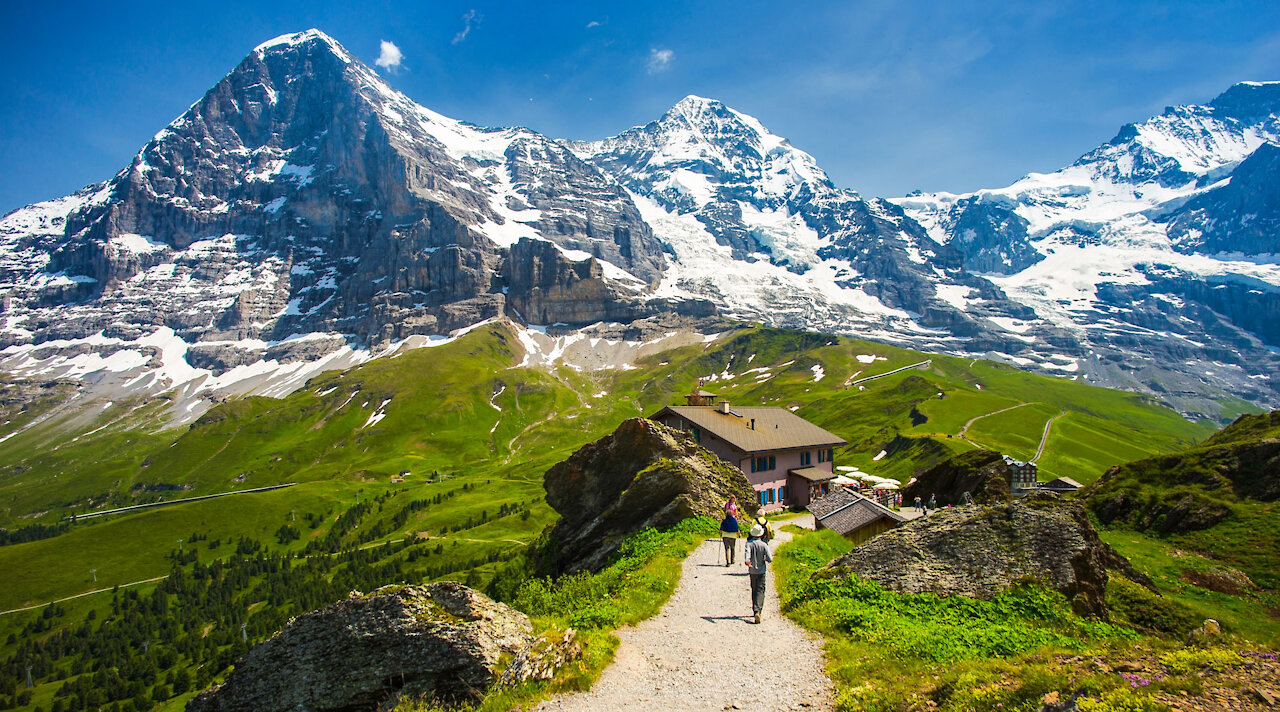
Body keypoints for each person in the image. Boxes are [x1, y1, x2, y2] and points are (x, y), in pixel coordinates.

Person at [743, 523, 773, 624]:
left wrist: (748, 562)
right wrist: (764, 558)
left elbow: (747, 556)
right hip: (761, 570)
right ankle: (758, 610)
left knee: (754, 589)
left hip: (752, 571)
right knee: (761, 590)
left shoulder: (748, 544)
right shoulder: (764, 545)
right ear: (761, 534)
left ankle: (754, 609)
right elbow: (770, 559)